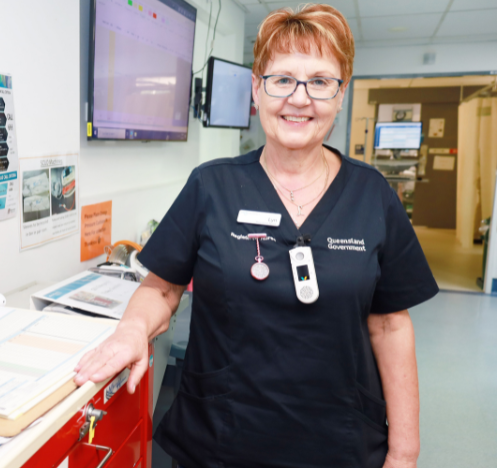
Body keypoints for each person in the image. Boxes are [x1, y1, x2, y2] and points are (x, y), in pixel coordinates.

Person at [74, 4, 438, 468]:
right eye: (282, 79)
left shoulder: (373, 196)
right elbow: (161, 288)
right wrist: (131, 330)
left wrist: (405, 453)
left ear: (341, 93)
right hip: (222, 441)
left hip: (339, 444)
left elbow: (390, 325)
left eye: (320, 81)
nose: (299, 98)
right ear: (256, 88)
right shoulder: (211, 185)